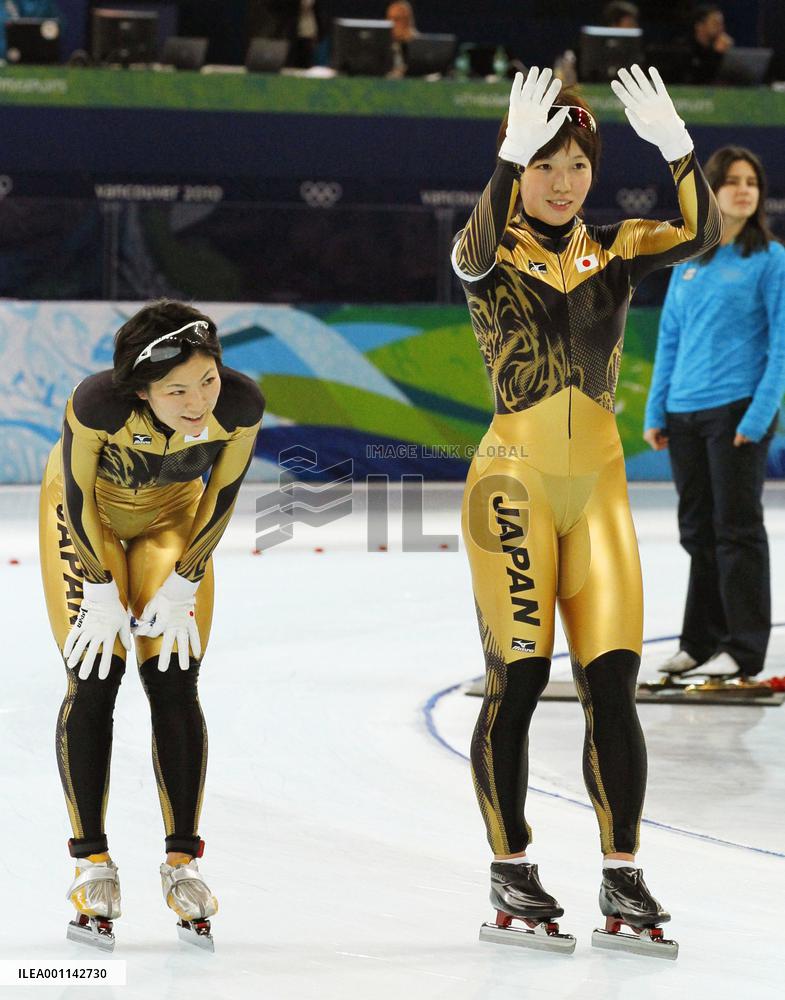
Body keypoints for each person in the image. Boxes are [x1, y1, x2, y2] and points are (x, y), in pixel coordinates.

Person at [452, 66, 720, 954]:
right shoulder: (489, 248)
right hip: (513, 485)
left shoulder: (616, 247)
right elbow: (471, 250)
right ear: (517, 168)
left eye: (574, 163)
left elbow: (702, 230)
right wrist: (502, 157)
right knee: (519, 682)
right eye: (542, 164)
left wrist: (678, 147)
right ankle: (510, 863)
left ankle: (622, 871)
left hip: (599, 486)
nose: (560, 180)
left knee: (613, 687)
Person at [39, 300, 264, 948]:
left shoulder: (240, 405)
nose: (198, 403)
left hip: (171, 522)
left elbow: (222, 494)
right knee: (95, 675)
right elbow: (76, 499)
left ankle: (181, 862)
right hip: (90, 526)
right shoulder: (97, 406)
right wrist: (101, 588)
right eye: (177, 390)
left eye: (208, 381)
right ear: (141, 390)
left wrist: (187, 575)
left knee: (172, 678)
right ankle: (91, 860)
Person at [644, 147, 785, 684]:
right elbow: (670, 343)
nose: (744, 190)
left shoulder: (772, 260)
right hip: (684, 416)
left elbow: (780, 348)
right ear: (711, 191)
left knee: (738, 532)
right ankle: (698, 644)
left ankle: (744, 649)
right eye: (731, 181)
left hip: (736, 415)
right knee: (698, 534)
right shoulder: (688, 265)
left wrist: (758, 417)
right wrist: (658, 408)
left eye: (752, 181)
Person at [685, 3, 734, 84]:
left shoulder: (719, 47)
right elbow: (699, 80)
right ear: (699, 26)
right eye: (716, 24)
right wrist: (716, 54)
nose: (721, 28)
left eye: (721, 24)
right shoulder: (685, 50)